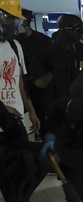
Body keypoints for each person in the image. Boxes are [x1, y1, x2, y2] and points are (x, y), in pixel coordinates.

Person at [0, 0, 53, 202]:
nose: (13, 23)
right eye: (9, 17)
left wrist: (30, 111)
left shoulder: (14, 46)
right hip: (1, 120)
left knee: (27, 167)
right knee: (10, 171)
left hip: (15, 121)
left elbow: (21, 83)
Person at [14, 8, 51, 138]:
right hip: (20, 88)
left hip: (40, 89)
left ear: (28, 22)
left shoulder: (44, 42)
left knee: (43, 122)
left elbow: (51, 66)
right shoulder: (13, 42)